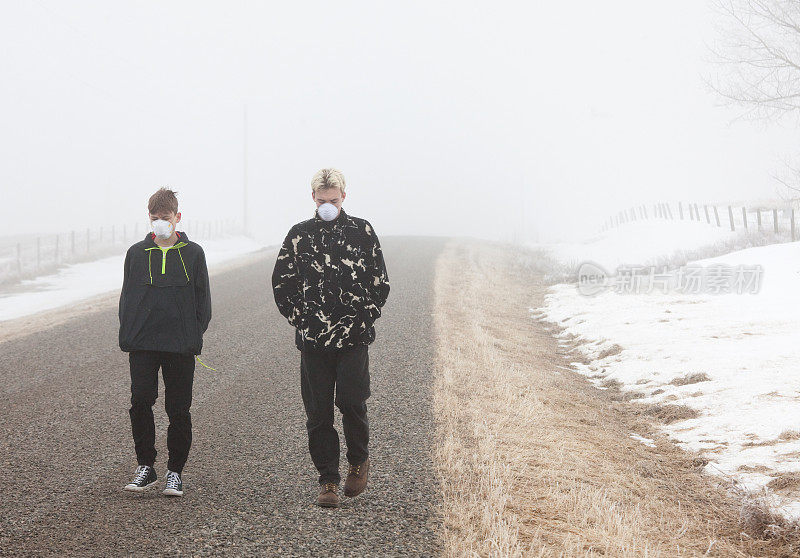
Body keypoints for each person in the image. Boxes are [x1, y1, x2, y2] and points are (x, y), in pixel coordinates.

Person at [272, 168, 390, 508]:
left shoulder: (362, 231)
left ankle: (358, 461)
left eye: (333, 201)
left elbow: (379, 282)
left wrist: (362, 317)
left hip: (354, 340)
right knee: (318, 414)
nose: (328, 206)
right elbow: (282, 285)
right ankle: (328, 480)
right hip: (313, 344)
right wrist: (303, 321)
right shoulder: (299, 236)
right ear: (313, 198)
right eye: (322, 201)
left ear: (344, 197)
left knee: (352, 402)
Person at [118, 187, 212, 497]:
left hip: (180, 346)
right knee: (140, 401)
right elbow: (127, 300)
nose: (160, 223)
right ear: (149, 218)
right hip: (143, 344)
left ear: (177, 217)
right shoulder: (135, 253)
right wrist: (130, 333)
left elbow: (203, 303)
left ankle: (175, 472)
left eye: (166, 218)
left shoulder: (194, 253)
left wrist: (192, 335)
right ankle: (146, 466)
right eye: (155, 218)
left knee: (178, 409)